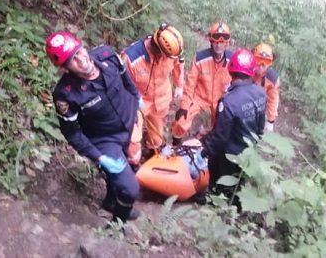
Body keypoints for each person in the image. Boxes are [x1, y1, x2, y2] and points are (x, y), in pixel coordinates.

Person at [45, 30, 141, 222]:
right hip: (105, 139)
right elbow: (71, 132)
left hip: (129, 121)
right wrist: (99, 157)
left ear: (84, 46)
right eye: (73, 60)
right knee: (130, 189)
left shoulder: (107, 55)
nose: (82, 60)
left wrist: (136, 96)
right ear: (65, 69)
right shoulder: (66, 94)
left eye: (79, 51)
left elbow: (125, 76)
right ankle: (118, 225)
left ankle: (111, 201)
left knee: (130, 166)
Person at [200, 48, 266, 196]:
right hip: (248, 153)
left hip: (230, 156)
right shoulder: (261, 93)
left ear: (231, 70)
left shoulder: (229, 101)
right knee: (238, 188)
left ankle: (214, 199)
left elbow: (220, 138)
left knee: (221, 186)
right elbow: (260, 128)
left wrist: (203, 152)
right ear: (252, 71)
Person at [121, 23, 185, 153]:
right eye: (165, 56)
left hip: (161, 101)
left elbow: (179, 63)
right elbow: (122, 84)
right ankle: (132, 160)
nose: (167, 59)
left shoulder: (171, 53)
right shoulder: (131, 59)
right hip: (137, 102)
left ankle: (152, 153)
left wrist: (179, 85)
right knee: (133, 139)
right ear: (159, 49)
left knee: (156, 138)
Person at [171, 21, 233, 146]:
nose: (218, 45)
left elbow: (237, 85)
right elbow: (190, 85)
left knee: (222, 127)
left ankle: (205, 138)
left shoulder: (232, 60)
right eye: (216, 41)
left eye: (222, 42)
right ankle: (175, 145)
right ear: (211, 41)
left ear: (227, 43)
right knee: (181, 121)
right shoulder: (200, 58)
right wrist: (184, 106)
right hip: (200, 97)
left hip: (221, 99)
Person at [252, 42, 280, 132]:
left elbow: (273, 99)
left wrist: (271, 120)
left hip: (258, 109)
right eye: (258, 59)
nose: (261, 65)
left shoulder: (272, 79)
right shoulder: (246, 69)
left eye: (266, 61)